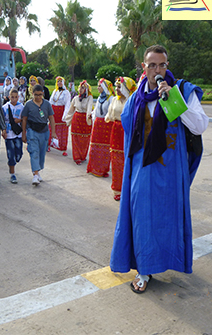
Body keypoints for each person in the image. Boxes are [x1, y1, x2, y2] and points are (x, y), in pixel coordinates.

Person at [110, 45, 209, 293]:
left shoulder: (182, 91)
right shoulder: (135, 99)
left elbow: (199, 126)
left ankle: (167, 260)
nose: (157, 70)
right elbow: (128, 134)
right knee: (142, 218)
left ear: (167, 66)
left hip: (171, 171)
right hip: (142, 170)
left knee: (168, 219)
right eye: (151, 65)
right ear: (144, 67)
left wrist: (172, 98)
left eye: (161, 65)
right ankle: (144, 270)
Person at [105, 77, 136, 201]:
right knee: (116, 160)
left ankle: (128, 190)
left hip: (128, 130)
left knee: (128, 160)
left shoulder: (132, 101)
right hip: (116, 130)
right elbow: (109, 115)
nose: (116, 89)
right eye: (116, 87)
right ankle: (117, 189)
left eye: (119, 87)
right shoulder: (114, 100)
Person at [22, 84, 57, 185]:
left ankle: (37, 171)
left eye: (40, 95)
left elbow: (51, 118)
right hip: (32, 131)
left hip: (44, 131)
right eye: (36, 95)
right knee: (34, 152)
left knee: (42, 154)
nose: (38, 97)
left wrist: (53, 132)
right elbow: (24, 119)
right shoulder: (28, 105)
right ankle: (35, 175)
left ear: (43, 94)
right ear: (32, 94)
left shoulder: (47, 104)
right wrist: (24, 133)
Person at [86, 78, 115, 177]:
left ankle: (102, 169)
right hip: (98, 124)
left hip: (107, 124)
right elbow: (97, 110)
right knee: (95, 146)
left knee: (105, 147)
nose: (98, 88)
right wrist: (92, 115)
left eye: (100, 86)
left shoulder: (111, 98)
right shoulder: (99, 97)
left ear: (104, 87)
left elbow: (111, 112)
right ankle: (93, 167)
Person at [64, 80, 93, 165]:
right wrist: (67, 119)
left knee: (85, 139)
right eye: (80, 87)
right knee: (75, 138)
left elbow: (89, 107)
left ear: (86, 89)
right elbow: (71, 110)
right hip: (76, 119)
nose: (80, 89)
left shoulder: (89, 98)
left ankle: (83, 156)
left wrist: (89, 116)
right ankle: (76, 157)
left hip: (85, 119)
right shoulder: (76, 98)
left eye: (83, 88)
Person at [3, 89, 24, 184]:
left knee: (19, 153)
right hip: (8, 134)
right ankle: (12, 173)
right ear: (9, 97)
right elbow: (2, 120)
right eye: (12, 97)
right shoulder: (5, 107)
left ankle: (14, 161)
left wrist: (19, 121)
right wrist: (3, 131)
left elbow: (25, 119)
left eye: (16, 97)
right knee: (10, 154)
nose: (14, 99)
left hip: (18, 133)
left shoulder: (21, 107)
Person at [49, 77, 71, 156]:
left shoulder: (66, 93)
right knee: (51, 127)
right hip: (54, 111)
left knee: (62, 129)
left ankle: (62, 147)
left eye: (61, 81)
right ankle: (50, 144)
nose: (59, 83)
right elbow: (51, 101)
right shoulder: (55, 91)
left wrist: (65, 115)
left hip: (61, 111)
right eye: (58, 81)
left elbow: (67, 104)